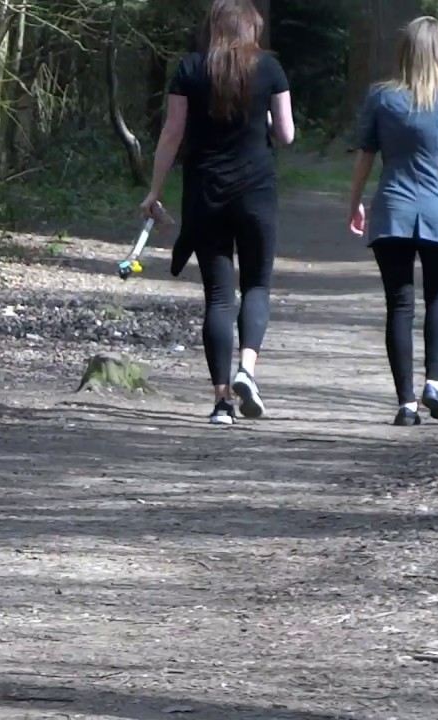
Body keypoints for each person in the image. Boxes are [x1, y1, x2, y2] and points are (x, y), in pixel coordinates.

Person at [139, 0, 295, 425]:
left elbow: (172, 134)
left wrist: (154, 190)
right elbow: (286, 134)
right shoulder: (270, 69)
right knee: (258, 285)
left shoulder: (190, 69)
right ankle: (248, 369)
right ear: (251, 30)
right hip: (257, 191)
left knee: (219, 297)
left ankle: (221, 402)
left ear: (214, 28)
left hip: (205, 192)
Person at [347, 16, 438, 427]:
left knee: (400, 304)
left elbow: (365, 155)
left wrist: (355, 201)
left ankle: (406, 404)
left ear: (404, 51)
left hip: (392, 208)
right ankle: (434, 383)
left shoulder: (381, 97)